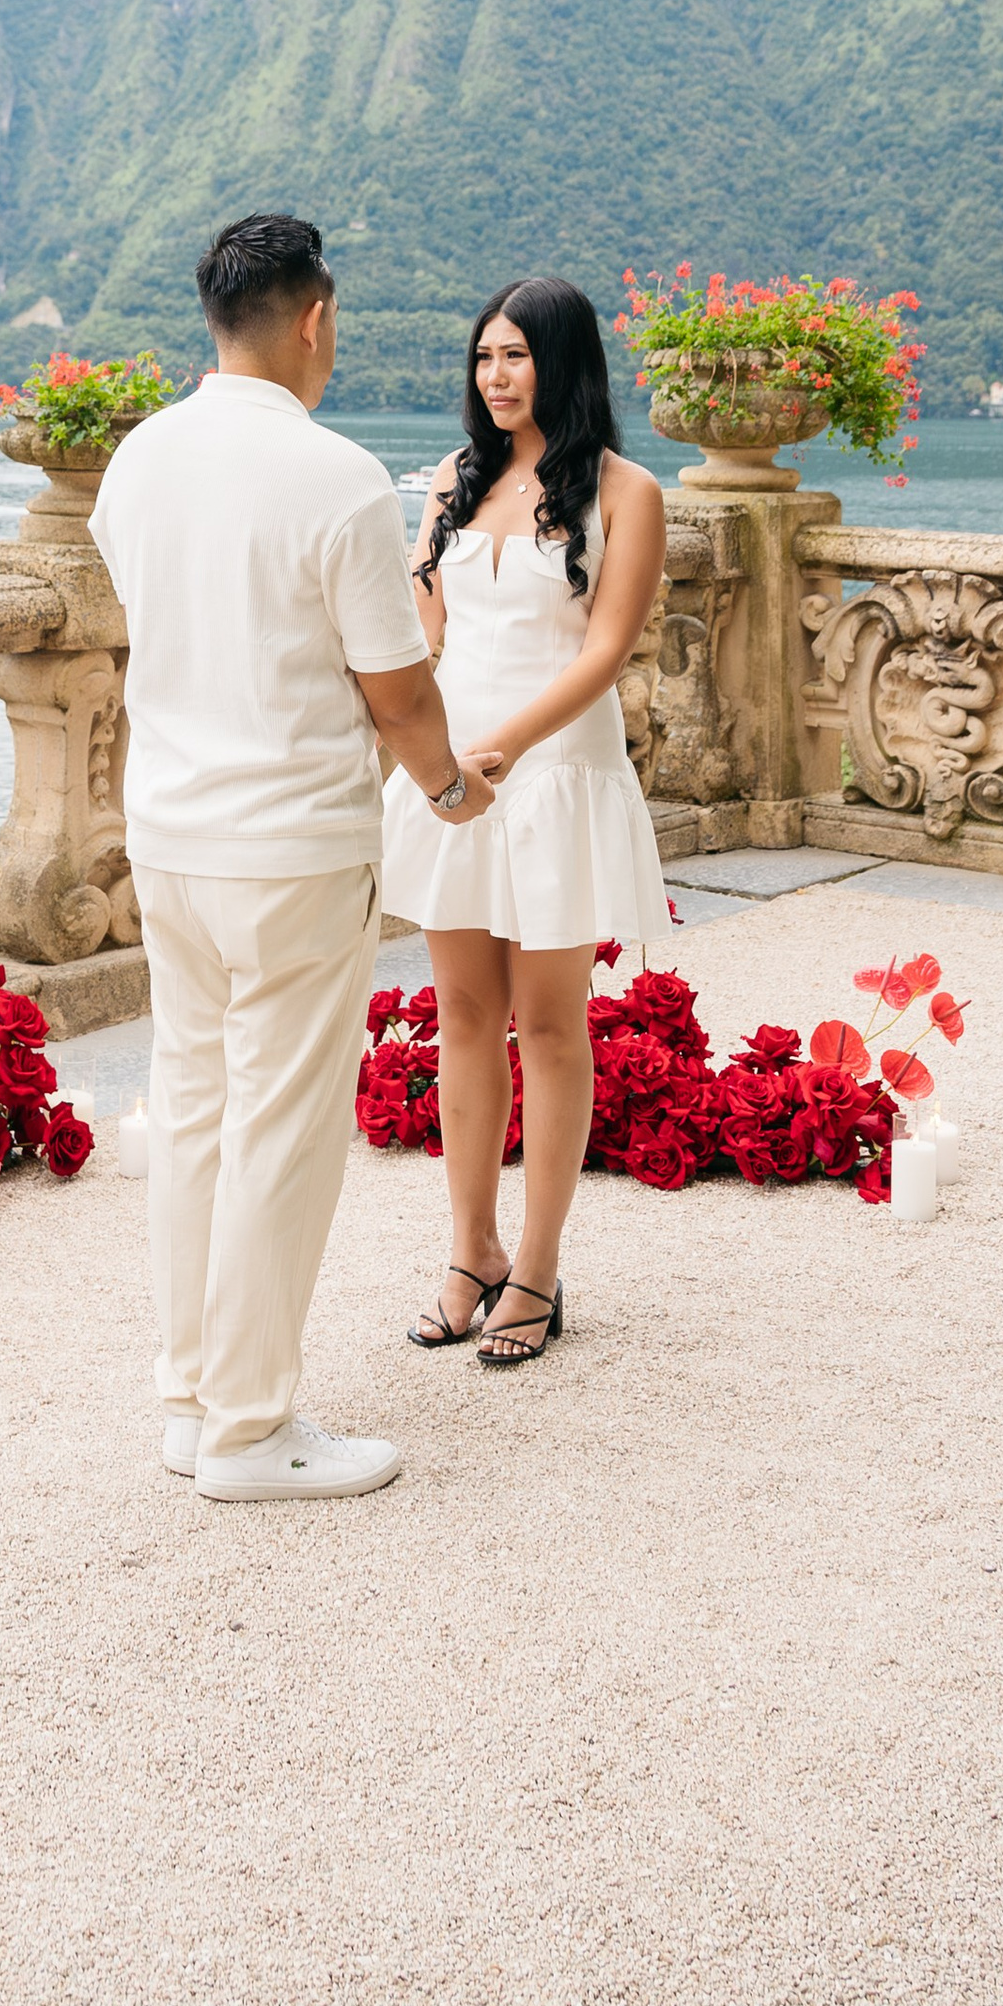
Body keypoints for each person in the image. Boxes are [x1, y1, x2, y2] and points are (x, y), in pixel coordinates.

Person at [88, 212, 493, 1502]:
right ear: (313, 318)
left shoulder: (135, 462)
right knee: (282, 1126)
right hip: (292, 845)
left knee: (197, 1111)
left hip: (170, 837)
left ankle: (191, 1396)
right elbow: (395, 685)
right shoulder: (334, 476)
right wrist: (446, 784)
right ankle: (252, 1428)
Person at [379, 276, 671, 1368]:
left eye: (515, 356)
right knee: (459, 1008)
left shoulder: (625, 491)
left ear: (563, 359)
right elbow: (426, 626)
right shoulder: (452, 481)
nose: (494, 376)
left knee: (549, 1024)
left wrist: (502, 743)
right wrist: (429, 743)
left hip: (552, 777)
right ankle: (471, 1251)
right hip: (452, 772)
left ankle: (539, 1268)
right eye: (482, 357)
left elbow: (604, 653)